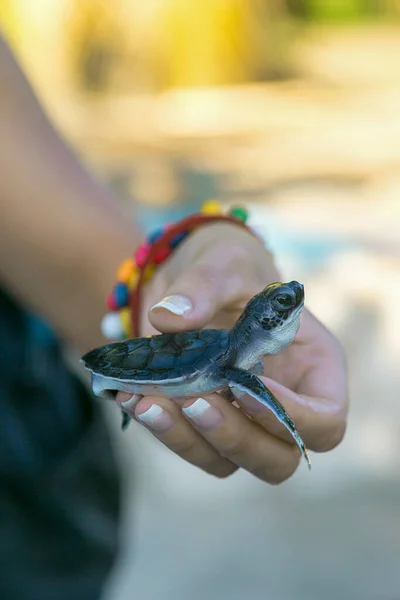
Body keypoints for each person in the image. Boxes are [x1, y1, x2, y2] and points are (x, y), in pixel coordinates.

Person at [0, 33, 348, 600]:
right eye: (282, 304)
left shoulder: (226, 349)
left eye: (284, 303)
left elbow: (78, 261)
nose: (292, 303)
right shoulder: (230, 363)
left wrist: (197, 247)